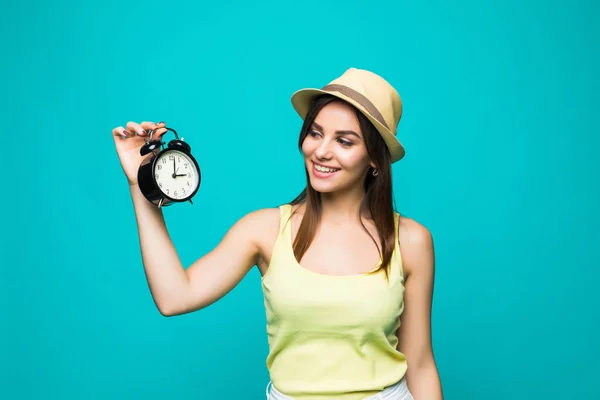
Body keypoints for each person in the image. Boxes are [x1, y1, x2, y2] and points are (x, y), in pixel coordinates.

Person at [111, 68, 443, 400]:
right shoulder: (264, 230)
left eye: (344, 140)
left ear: (374, 158)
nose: (321, 151)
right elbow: (174, 297)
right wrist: (141, 187)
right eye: (315, 133)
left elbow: (420, 363)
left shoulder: (411, 241)